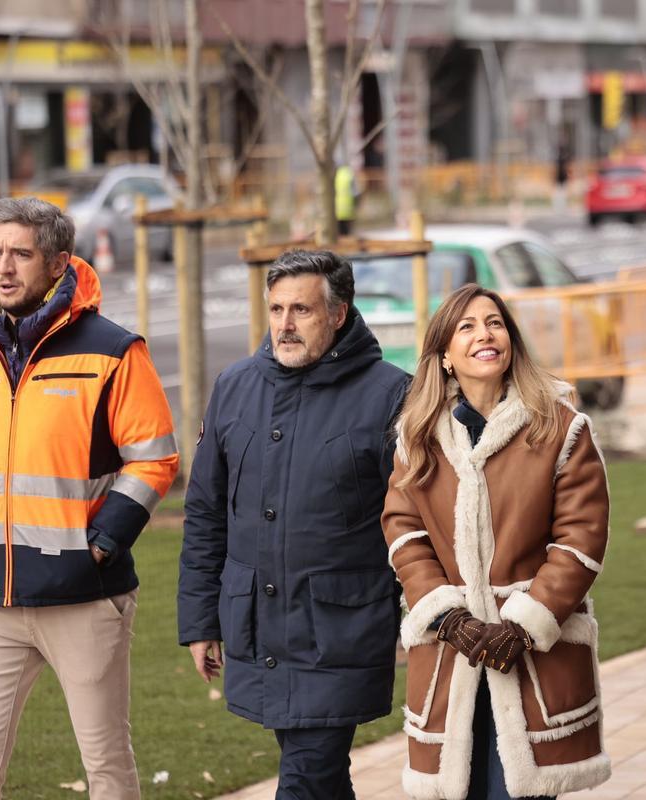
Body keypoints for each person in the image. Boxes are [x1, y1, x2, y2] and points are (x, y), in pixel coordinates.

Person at [0, 197, 179, 799]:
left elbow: (153, 457)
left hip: (83, 598)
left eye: (21, 253)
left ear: (58, 262)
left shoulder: (115, 350)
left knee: (107, 768)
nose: (4, 267)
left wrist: (100, 545)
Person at [177, 249, 408, 800]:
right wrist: (201, 619)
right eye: (276, 308)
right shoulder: (235, 386)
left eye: (301, 310)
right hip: (257, 622)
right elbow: (206, 511)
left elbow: (417, 520)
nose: (284, 324)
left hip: (341, 630)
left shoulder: (392, 394)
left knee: (304, 779)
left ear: (339, 313)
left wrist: (417, 614)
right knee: (320, 779)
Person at [382, 284, 610, 799]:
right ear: (443, 355)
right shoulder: (417, 437)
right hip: (450, 659)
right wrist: (447, 616)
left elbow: (581, 539)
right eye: (466, 326)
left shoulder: (561, 427)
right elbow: (404, 533)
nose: (484, 335)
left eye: (494, 323)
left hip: (532, 660)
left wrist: (523, 624)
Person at [335, 164, 357, 238]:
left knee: (339, 235)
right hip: (348, 210)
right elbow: (355, 192)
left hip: (337, 210)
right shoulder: (349, 175)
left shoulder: (335, 175)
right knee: (346, 234)